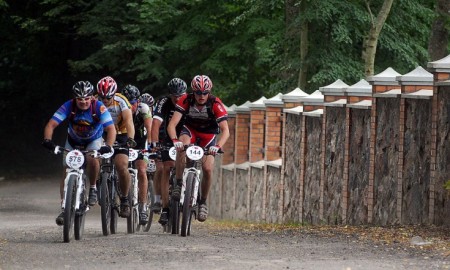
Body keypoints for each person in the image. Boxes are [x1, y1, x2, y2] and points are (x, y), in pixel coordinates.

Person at [42, 81, 116, 226]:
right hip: (73, 140)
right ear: (75, 98)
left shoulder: (98, 107)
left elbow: (111, 129)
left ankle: (93, 187)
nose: (83, 102)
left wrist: (107, 145)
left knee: (92, 159)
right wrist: (47, 140)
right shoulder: (68, 106)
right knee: (66, 168)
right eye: (80, 99)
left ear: (92, 98)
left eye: (86, 98)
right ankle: (64, 207)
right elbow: (51, 124)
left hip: (93, 140)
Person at [167, 75, 229, 222]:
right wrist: (175, 140)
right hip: (191, 132)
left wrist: (217, 146)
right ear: (193, 92)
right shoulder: (186, 100)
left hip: (208, 136)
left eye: (205, 93)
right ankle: (179, 182)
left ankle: (202, 202)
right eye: (198, 93)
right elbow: (172, 124)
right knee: (182, 145)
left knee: (207, 168)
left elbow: (225, 130)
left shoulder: (215, 103)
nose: (201, 96)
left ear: (209, 92)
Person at [96, 76, 136, 218]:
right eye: (102, 97)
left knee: (121, 165)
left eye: (108, 98)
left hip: (121, 133)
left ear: (114, 94)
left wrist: (130, 139)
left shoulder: (121, 101)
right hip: (102, 133)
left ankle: (125, 199)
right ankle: (97, 184)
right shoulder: (95, 101)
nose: (105, 101)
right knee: (94, 159)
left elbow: (129, 121)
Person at [150, 78, 187, 225]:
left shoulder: (189, 101)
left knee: (186, 163)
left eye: (180, 96)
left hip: (185, 136)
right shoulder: (164, 102)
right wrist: (154, 145)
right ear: (170, 95)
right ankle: (165, 208)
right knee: (167, 168)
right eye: (174, 96)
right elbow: (155, 123)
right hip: (168, 138)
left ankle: (188, 191)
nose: (177, 99)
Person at [121, 85, 153, 225]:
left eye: (133, 103)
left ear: (138, 102)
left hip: (140, 140)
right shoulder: (119, 108)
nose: (131, 106)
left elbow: (150, 128)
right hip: (125, 139)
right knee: (121, 167)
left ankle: (143, 206)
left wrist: (152, 145)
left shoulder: (144, 109)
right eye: (128, 103)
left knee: (141, 170)